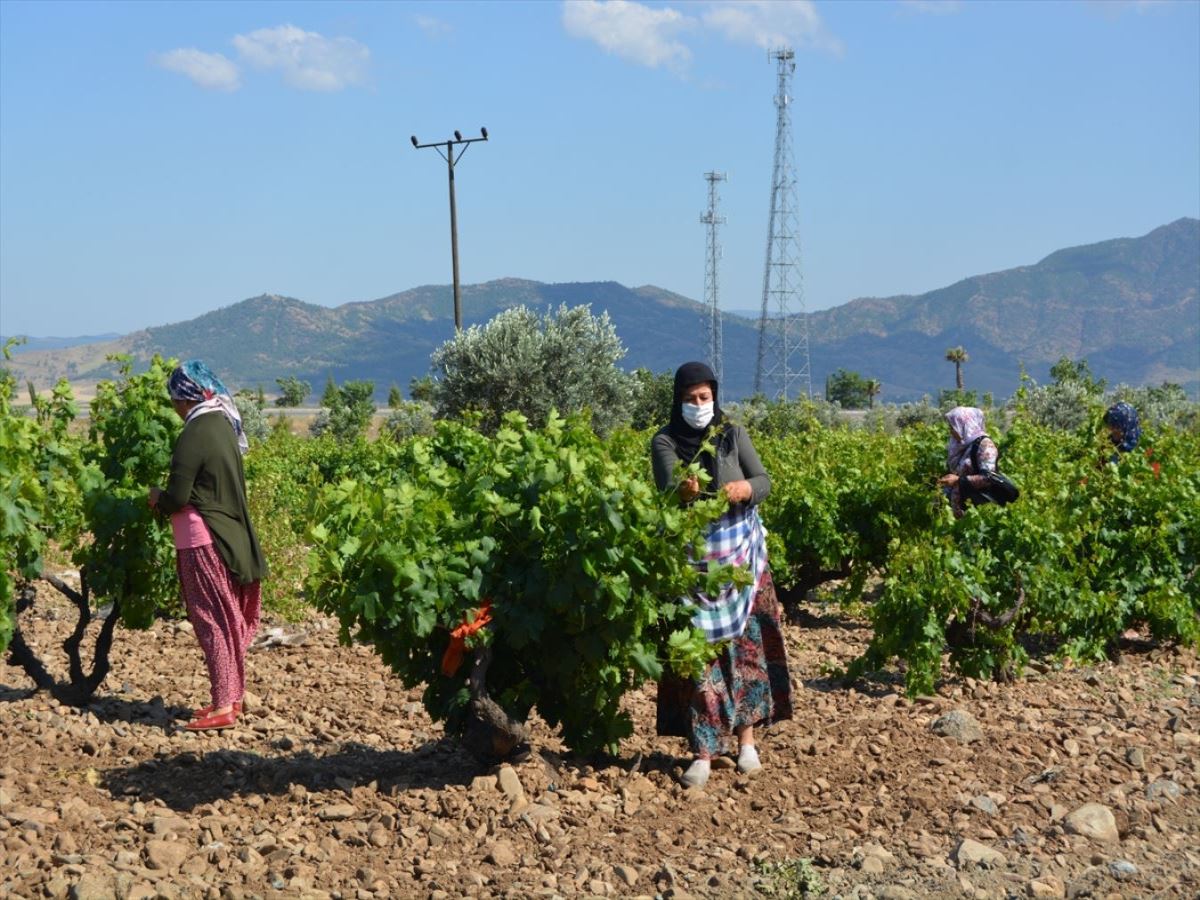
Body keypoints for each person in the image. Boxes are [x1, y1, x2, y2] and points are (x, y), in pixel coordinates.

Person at [650, 361, 792, 788]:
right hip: (695, 561)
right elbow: (667, 490)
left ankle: (747, 742)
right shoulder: (664, 441)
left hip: (741, 558)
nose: (699, 405)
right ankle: (703, 750)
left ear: (714, 395)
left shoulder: (732, 432)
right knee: (700, 657)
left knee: (747, 651)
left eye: (705, 397)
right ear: (679, 400)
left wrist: (747, 489)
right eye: (691, 399)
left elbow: (763, 480)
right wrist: (682, 490)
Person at [148, 360, 267, 732]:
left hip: (201, 540)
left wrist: (156, 499)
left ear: (185, 397)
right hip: (228, 537)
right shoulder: (222, 425)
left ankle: (222, 705)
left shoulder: (195, 430)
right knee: (225, 618)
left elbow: (179, 495)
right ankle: (230, 697)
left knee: (210, 620)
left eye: (174, 399)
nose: (173, 406)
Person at [938, 406, 1000, 517]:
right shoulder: (963, 445)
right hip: (960, 512)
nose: (951, 431)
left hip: (976, 513)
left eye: (953, 427)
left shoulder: (985, 446)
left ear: (965, 425)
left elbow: (989, 478)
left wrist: (958, 480)